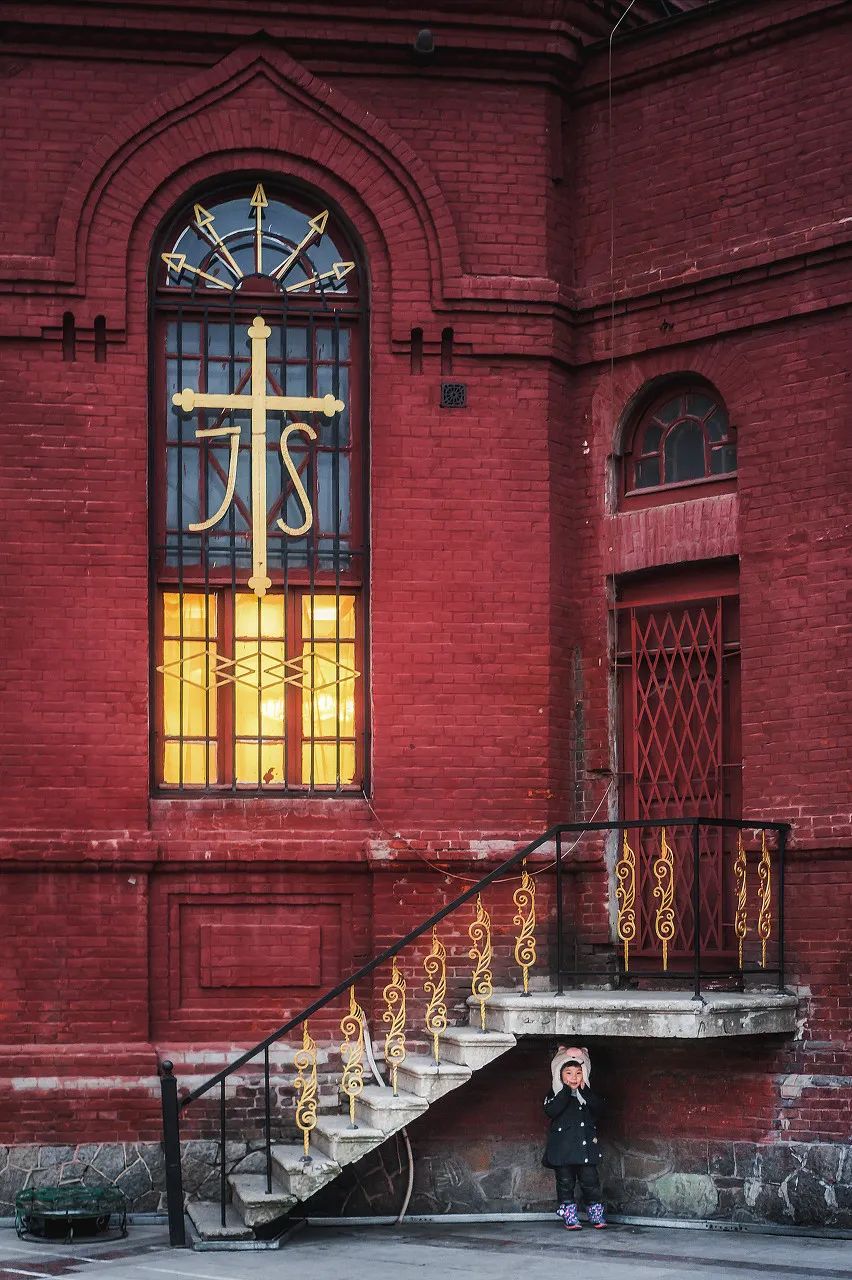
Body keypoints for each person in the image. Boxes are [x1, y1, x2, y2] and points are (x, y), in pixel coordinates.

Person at [542, 1045, 606, 1230]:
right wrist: (564, 1092)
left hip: (585, 1149)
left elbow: (600, 1108)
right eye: (568, 1073)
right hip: (564, 1151)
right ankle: (569, 1213)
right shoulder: (555, 1095)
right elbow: (551, 1110)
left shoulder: (587, 1095)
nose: (574, 1078)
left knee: (590, 1182)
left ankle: (595, 1211)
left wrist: (585, 1092)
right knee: (565, 1182)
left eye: (578, 1073)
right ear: (559, 1074)